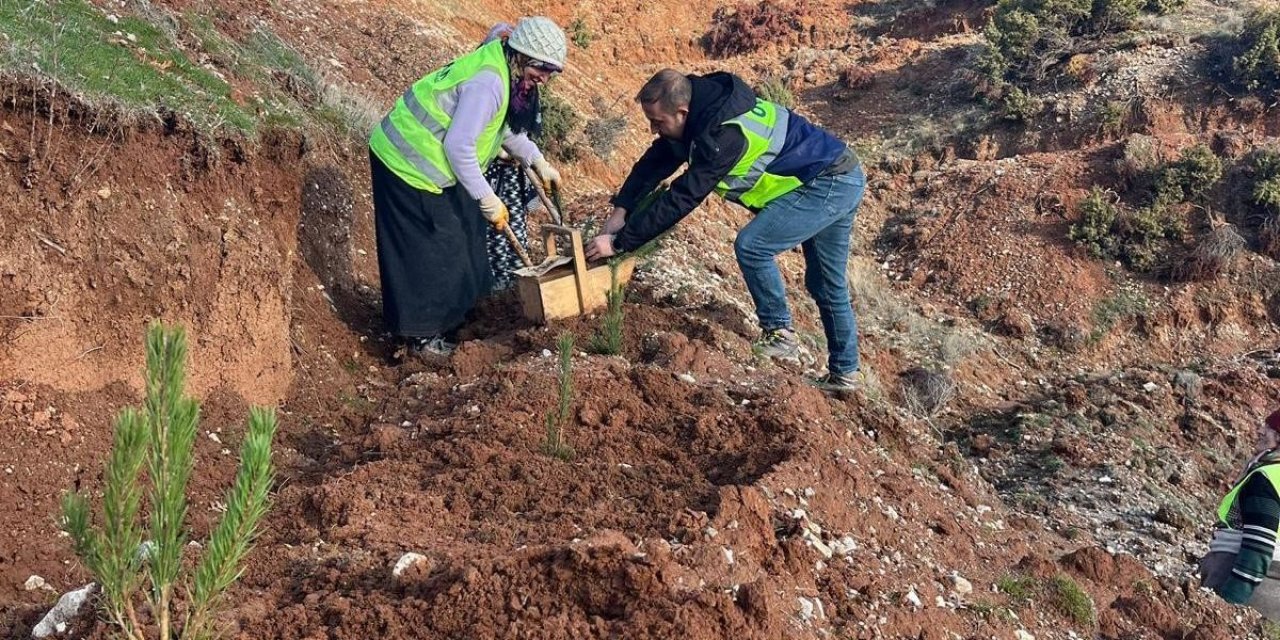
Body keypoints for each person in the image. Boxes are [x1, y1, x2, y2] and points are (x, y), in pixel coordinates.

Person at [584, 69, 866, 391]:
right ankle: (845, 374)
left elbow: (684, 195)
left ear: (682, 112)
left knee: (753, 246)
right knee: (824, 283)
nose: (653, 128)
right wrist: (622, 209)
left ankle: (780, 334)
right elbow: (655, 161)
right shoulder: (702, 114)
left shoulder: (724, 134)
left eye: (658, 122)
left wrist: (621, 243)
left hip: (829, 182)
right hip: (835, 173)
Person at [368, 16, 566, 357]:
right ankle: (421, 338)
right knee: (434, 246)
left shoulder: (506, 70)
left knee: (467, 231)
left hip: (434, 165)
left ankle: (458, 317)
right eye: (541, 69)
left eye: (551, 72)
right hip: (407, 160)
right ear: (521, 55)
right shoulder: (489, 82)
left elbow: (499, 127)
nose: (544, 79)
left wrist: (537, 159)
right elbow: (458, 146)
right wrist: (487, 198)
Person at [1200, 408, 1280, 620]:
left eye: (1270, 428)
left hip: (1246, 578)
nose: (1261, 431)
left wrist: (1229, 604)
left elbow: (1259, 546)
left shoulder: (1267, 478)